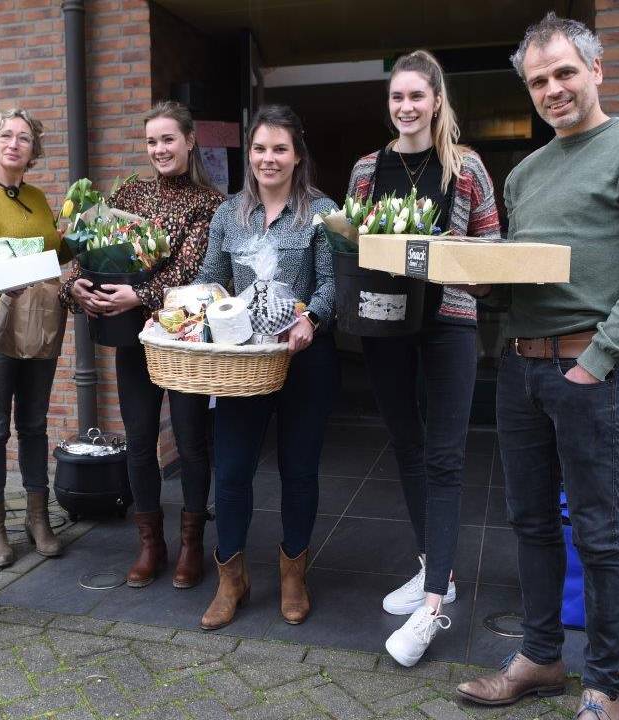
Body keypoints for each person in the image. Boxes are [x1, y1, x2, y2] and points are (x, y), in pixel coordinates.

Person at [455, 14, 619, 720]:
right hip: (519, 370)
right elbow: (520, 276)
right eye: (538, 81)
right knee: (528, 522)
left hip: (589, 371)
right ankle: (542, 657)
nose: (552, 89)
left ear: (596, 70)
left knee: (594, 527)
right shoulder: (524, 172)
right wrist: (468, 276)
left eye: (563, 73)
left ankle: (605, 686)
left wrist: (599, 359)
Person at [345, 49, 501, 667]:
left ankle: (435, 604)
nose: (406, 107)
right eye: (396, 97)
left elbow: (491, 248)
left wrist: (451, 248)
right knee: (406, 447)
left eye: (416, 96)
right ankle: (433, 566)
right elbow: (352, 243)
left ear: (437, 100)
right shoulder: (365, 168)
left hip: (448, 323)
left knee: (444, 456)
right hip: (385, 324)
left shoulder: (465, 168)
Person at [60, 101, 224, 589]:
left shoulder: (208, 203)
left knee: (192, 442)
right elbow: (92, 246)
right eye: (152, 141)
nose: (160, 149)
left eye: (169, 139)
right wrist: (78, 285)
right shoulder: (129, 192)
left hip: (183, 341)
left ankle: (192, 542)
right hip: (131, 338)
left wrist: (143, 293)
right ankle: (151, 542)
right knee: (139, 440)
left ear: (190, 141)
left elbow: (192, 272)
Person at [196, 104, 339, 631]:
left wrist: (313, 320)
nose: (268, 158)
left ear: (297, 154)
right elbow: (211, 280)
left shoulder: (323, 212)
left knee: (299, 471)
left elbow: (332, 282)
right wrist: (198, 312)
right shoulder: (227, 214)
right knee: (231, 471)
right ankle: (231, 577)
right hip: (242, 363)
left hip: (304, 357)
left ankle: (293, 574)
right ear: (249, 154)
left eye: (279, 148)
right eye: (259, 148)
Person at [0, 108, 73, 568]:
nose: (14, 144)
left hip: (39, 326)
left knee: (33, 425)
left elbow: (52, 257)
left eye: (24, 138)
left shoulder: (36, 196)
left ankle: (38, 517)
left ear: (34, 150)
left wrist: (79, 236)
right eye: (6, 136)